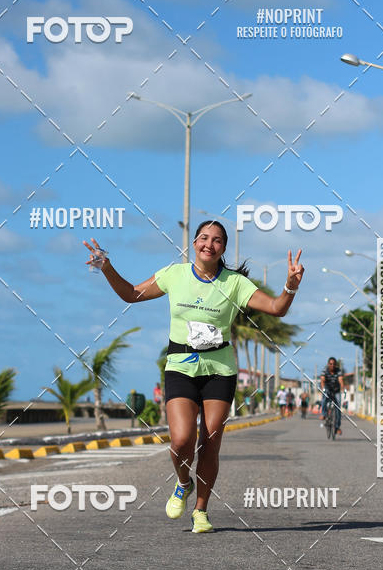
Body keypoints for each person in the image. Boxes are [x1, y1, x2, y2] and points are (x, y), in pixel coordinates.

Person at [84, 222, 304, 532]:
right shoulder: (174, 275)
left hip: (220, 370)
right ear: (194, 243)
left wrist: (291, 285)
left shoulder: (235, 283)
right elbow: (131, 294)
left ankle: (201, 510)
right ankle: (183, 482)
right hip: (180, 366)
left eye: (216, 241)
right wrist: (106, 267)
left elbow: (276, 308)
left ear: (223, 249)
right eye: (203, 238)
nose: (209, 244)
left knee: (209, 443)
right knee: (182, 440)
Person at [320, 357, 344, 435]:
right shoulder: (325, 370)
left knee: (338, 408)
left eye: (334, 364)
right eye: (331, 364)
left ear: (335, 364)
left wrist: (343, 389)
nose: (332, 365)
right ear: (328, 364)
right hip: (328, 389)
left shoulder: (338, 371)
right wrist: (323, 388)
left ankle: (337, 427)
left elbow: (340, 380)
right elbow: (322, 380)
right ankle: (324, 414)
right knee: (324, 399)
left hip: (336, 390)